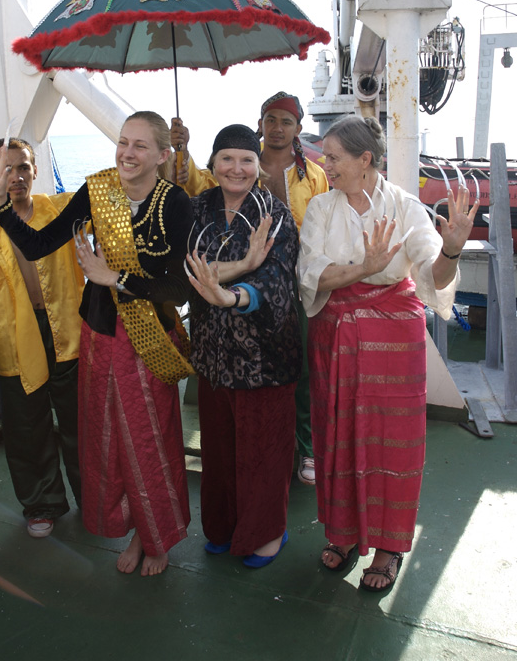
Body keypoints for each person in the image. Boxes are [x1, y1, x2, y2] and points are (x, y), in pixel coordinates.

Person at [0, 112, 194, 576]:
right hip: (100, 331)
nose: (127, 153)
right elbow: (40, 244)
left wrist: (113, 277)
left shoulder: (177, 202)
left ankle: (153, 535)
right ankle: (132, 524)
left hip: (152, 335)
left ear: (163, 155)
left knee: (150, 436)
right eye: (123, 142)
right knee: (110, 436)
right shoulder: (99, 190)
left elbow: (181, 289)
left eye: (140, 146)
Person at [297, 115, 478, 592]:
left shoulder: (405, 207)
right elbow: (309, 276)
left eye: (334, 157)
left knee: (390, 442)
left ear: (365, 160)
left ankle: (388, 547)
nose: (325, 164)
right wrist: (364, 267)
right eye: (324, 156)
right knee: (338, 436)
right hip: (336, 337)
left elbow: (430, 275)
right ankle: (345, 533)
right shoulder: (321, 208)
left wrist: (453, 250)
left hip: (394, 342)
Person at [171, 90, 327, 486]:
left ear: (297, 129)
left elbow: (323, 223)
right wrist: (182, 149)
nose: (277, 128)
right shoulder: (233, 162)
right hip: (224, 296)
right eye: (270, 119)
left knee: (302, 372)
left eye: (286, 121)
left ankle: (305, 447)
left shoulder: (313, 174)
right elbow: (190, 184)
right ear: (260, 124)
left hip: (294, 277)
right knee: (223, 406)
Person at [186, 124, 302, 568]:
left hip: (264, 357)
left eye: (246, 159)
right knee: (219, 450)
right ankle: (222, 525)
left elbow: (275, 280)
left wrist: (231, 293)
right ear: (212, 164)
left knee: (263, 450)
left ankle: (267, 532)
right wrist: (243, 264)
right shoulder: (196, 209)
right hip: (213, 356)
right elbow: (187, 269)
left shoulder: (275, 214)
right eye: (227, 158)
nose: (237, 168)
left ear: (258, 166)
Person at [0, 138, 85, 538]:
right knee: (26, 427)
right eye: (6, 169)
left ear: (35, 171)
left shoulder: (60, 210)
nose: (16, 177)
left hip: (68, 332)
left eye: (24, 167)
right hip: (10, 339)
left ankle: (95, 496)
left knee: (81, 422)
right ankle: (41, 504)